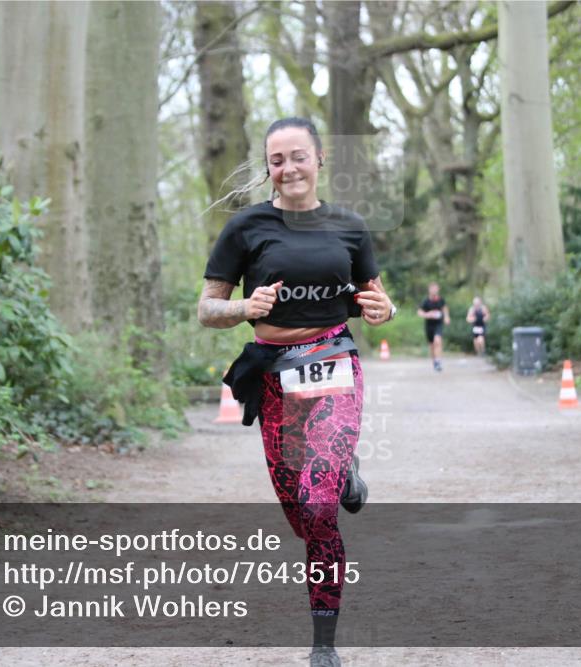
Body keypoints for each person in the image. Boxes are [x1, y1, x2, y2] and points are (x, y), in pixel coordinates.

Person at [197, 117, 395, 667]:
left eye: (298, 156)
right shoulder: (246, 228)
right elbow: (207, 308)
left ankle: (323, 645)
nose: (288, 168)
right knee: (302, 518)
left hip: (333, 362)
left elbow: (377, 300)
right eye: (277, 160)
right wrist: (244, 306)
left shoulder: (350, 226)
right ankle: (343, 472)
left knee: (318, 503)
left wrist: (385, 309)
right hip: (274, 376)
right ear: (268, 168)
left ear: (320, 158)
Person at [417, 282, 449, 371]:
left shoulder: (441, 300)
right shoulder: (426, 301)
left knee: (437, 341)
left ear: (438, 289)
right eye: (432, 288)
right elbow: (419, 312)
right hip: (429, 325)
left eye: (436, 288)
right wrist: (427, 314)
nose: (434, 290)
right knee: (432, 345)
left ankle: (438, 361)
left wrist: (446, 317)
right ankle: (434, 361)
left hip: (438, 324)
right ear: (429, 290)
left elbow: (445, 308)